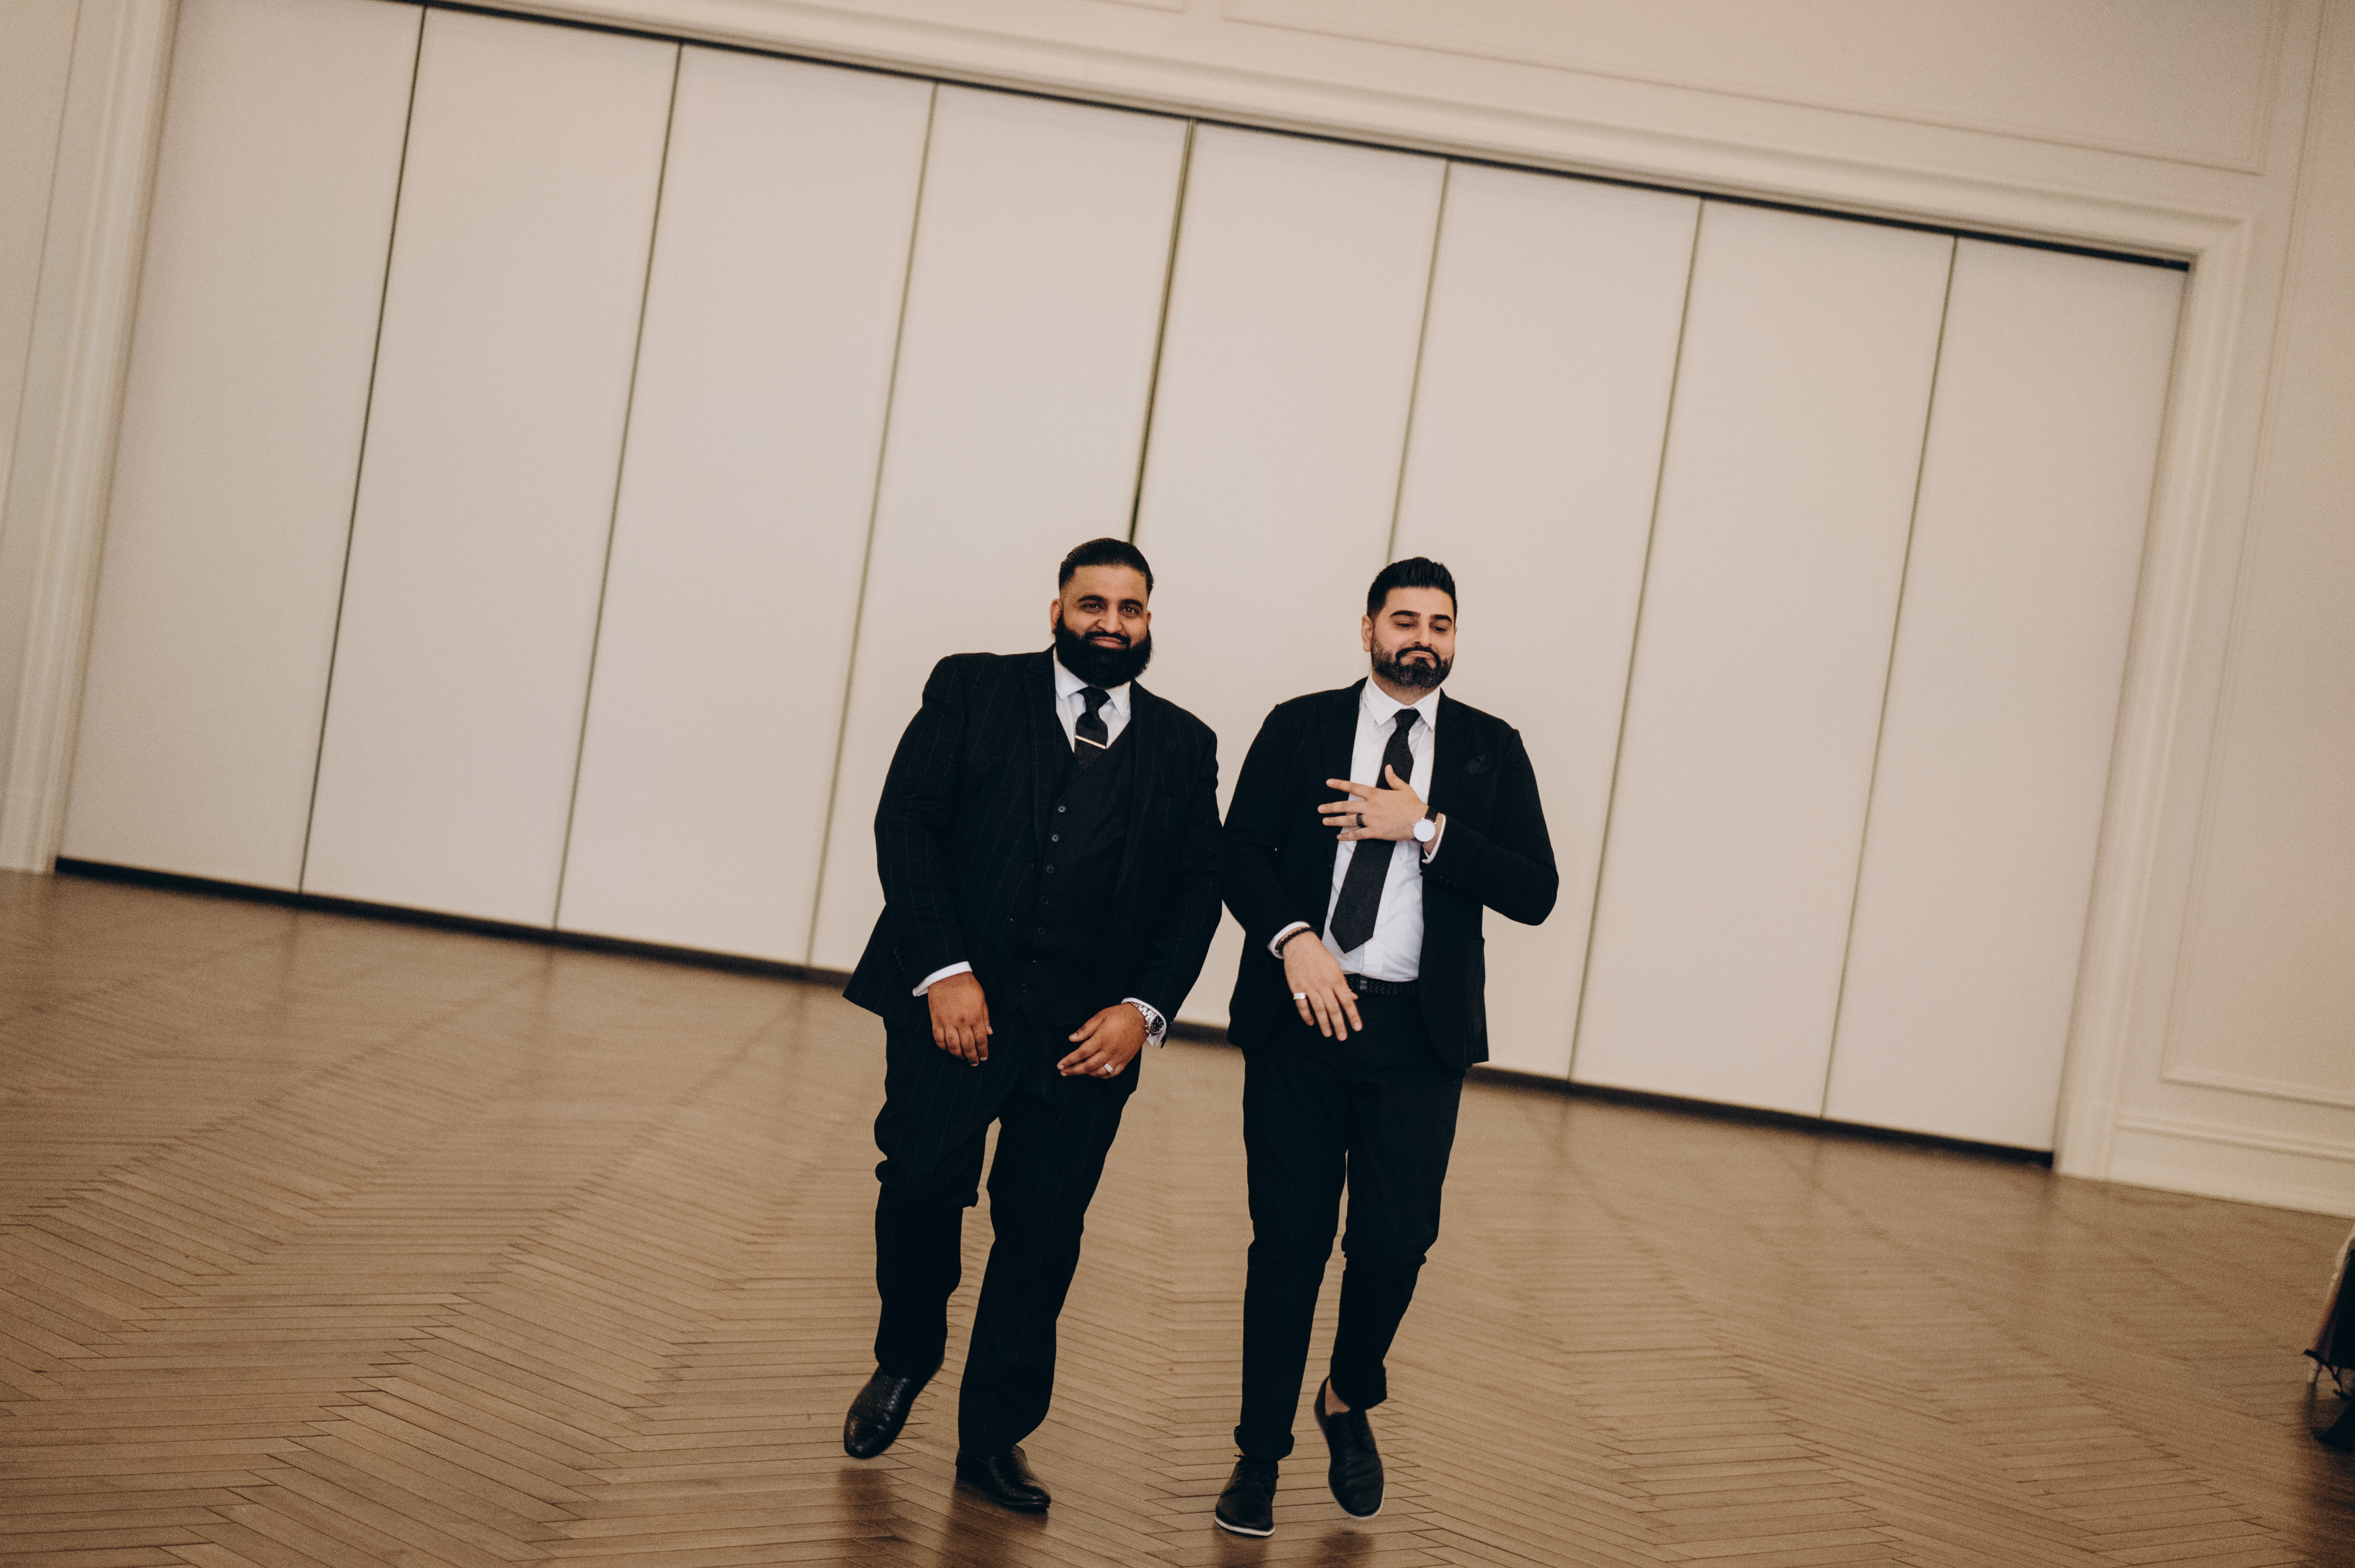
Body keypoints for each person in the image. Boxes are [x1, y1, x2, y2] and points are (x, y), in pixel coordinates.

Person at [837, 537, 1223, 1512]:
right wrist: (943, 971)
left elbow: (1196, 891)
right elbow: (906, 824)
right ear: (1057, 611)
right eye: (1092, 604)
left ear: (1148, 622)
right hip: (956, 1012)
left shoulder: (1185, 745)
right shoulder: (971, 689)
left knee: (1043, 1235)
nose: (1110, 623)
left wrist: (1144, 1011)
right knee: (919, 1184)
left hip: (1086, 1039)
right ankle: (908, 1351)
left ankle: (993, 1439)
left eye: (1129, 609)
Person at [1210, 557, 1558, 1536]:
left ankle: (1347, 1392)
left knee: (1397, 1241)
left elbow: (1535, 890)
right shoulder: (1299, 725)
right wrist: (1293, 941)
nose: (1422, 639)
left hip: (1417, 1033)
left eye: (1440, 624)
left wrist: (1428, 827)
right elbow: (1237, 853)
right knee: (1289, 1241)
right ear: (1367, 629)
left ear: (1454, 638)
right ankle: (1258, 1458)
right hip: (1301, 1018)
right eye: (1404, 620)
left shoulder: (1491, 748)